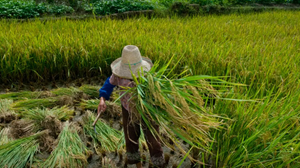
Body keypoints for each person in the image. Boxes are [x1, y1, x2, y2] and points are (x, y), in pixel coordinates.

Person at [98, 45, 165, 168]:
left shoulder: (147, 75)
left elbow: (158, 91)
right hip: (128, 109)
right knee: (131, 139)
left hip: (147, 110)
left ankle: (158, 164)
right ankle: (138, 165)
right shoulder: (118, 75)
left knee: (153, 140)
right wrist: (102, 99)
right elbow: (108, 84)